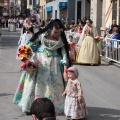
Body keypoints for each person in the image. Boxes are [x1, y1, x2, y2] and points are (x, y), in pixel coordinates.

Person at [13, 19, 71, 115]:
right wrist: (26, 57)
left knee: (54, 85)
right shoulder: (42, 35)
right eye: (55, 32)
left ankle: (52, 107)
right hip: (40, 62)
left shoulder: (61, 39)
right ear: (50, 29)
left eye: (59, 32)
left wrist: (65, 69)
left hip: (55, 64)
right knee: (37, 84)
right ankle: (32, 105)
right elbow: (28, 45)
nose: (57, 34)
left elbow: (65, 53)